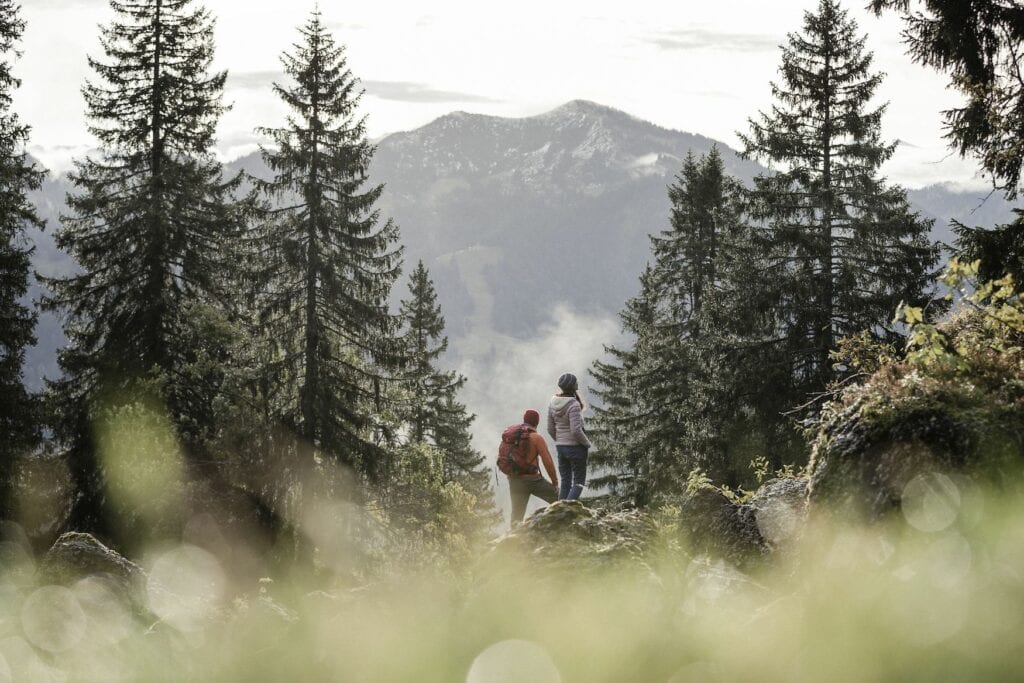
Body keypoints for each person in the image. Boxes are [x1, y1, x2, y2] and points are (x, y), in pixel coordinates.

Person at [507, 409, 559, 527]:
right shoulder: (536, 438)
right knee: (560, 500)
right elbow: (548, 463)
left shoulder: (512, 436)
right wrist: (555, 483)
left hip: (515, 480)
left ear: (524, 420)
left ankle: (511, 542)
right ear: (537, 423)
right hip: (533, 480)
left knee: (516, 515)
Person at [548, 372, 592, 500]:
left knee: (565, 482)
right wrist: (587, 443)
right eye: (576, 381)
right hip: (575, 448)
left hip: (561, 448)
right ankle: (566, 512)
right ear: (572, 386)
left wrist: (560, 440)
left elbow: (550, 428)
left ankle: (560, 511)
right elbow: (576, 430)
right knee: (578, 483)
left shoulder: (552, 402)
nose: (577, 383)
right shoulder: (574, 404)